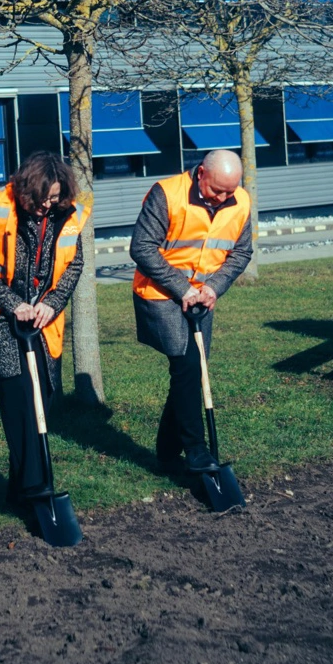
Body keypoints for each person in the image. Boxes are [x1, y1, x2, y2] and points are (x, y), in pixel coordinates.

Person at [0, 151, 87, 504]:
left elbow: (73, 265)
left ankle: (20, 487)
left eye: (55, 198)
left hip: (41, 318)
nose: (49, 205)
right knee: (20, 393)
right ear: (27, 190)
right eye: (44, 198)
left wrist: (51, 303)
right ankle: (36, 489)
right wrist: (13, 303)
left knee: (43, 396)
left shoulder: (65, 214)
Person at [130, 149, 253, 474]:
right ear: (200, 174)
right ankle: (196, 451)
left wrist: (213, 288)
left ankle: (167, 452)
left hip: (203, 297)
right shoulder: (167, 194)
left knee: (191, 370)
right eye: (217, 190)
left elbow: (241, 252)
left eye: (230, 191)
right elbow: (141, 247)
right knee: (186, 365)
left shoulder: (240, 201)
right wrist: (182, 288)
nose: (223, 198)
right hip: (159, 293)